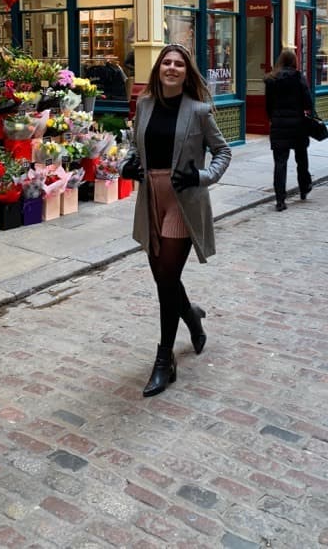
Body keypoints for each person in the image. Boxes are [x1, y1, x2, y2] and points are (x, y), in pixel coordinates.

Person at [120, 44, 232, 397]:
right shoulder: (145, 104)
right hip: (151, 198)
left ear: (186, 72)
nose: (171, 68)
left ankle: (164, 360)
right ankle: (191, 314)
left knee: (167, 277)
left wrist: (202, 176)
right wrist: (129, 163)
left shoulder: (198, 111)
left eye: (178, 64)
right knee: (164, 280)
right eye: (166, 62)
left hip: (183, 201)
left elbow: (223, 151)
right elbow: (136, 146)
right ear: (158, 69)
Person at [264, 49, 313, 211]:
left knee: (280, 163)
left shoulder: (271, 80)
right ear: (294, 62)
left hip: (278, 125)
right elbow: (308, 103)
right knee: (301, 158)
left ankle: (280, 200)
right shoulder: (299, 77)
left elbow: (268, 106)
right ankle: (304, 187)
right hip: (298, 124)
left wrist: (274, 118)